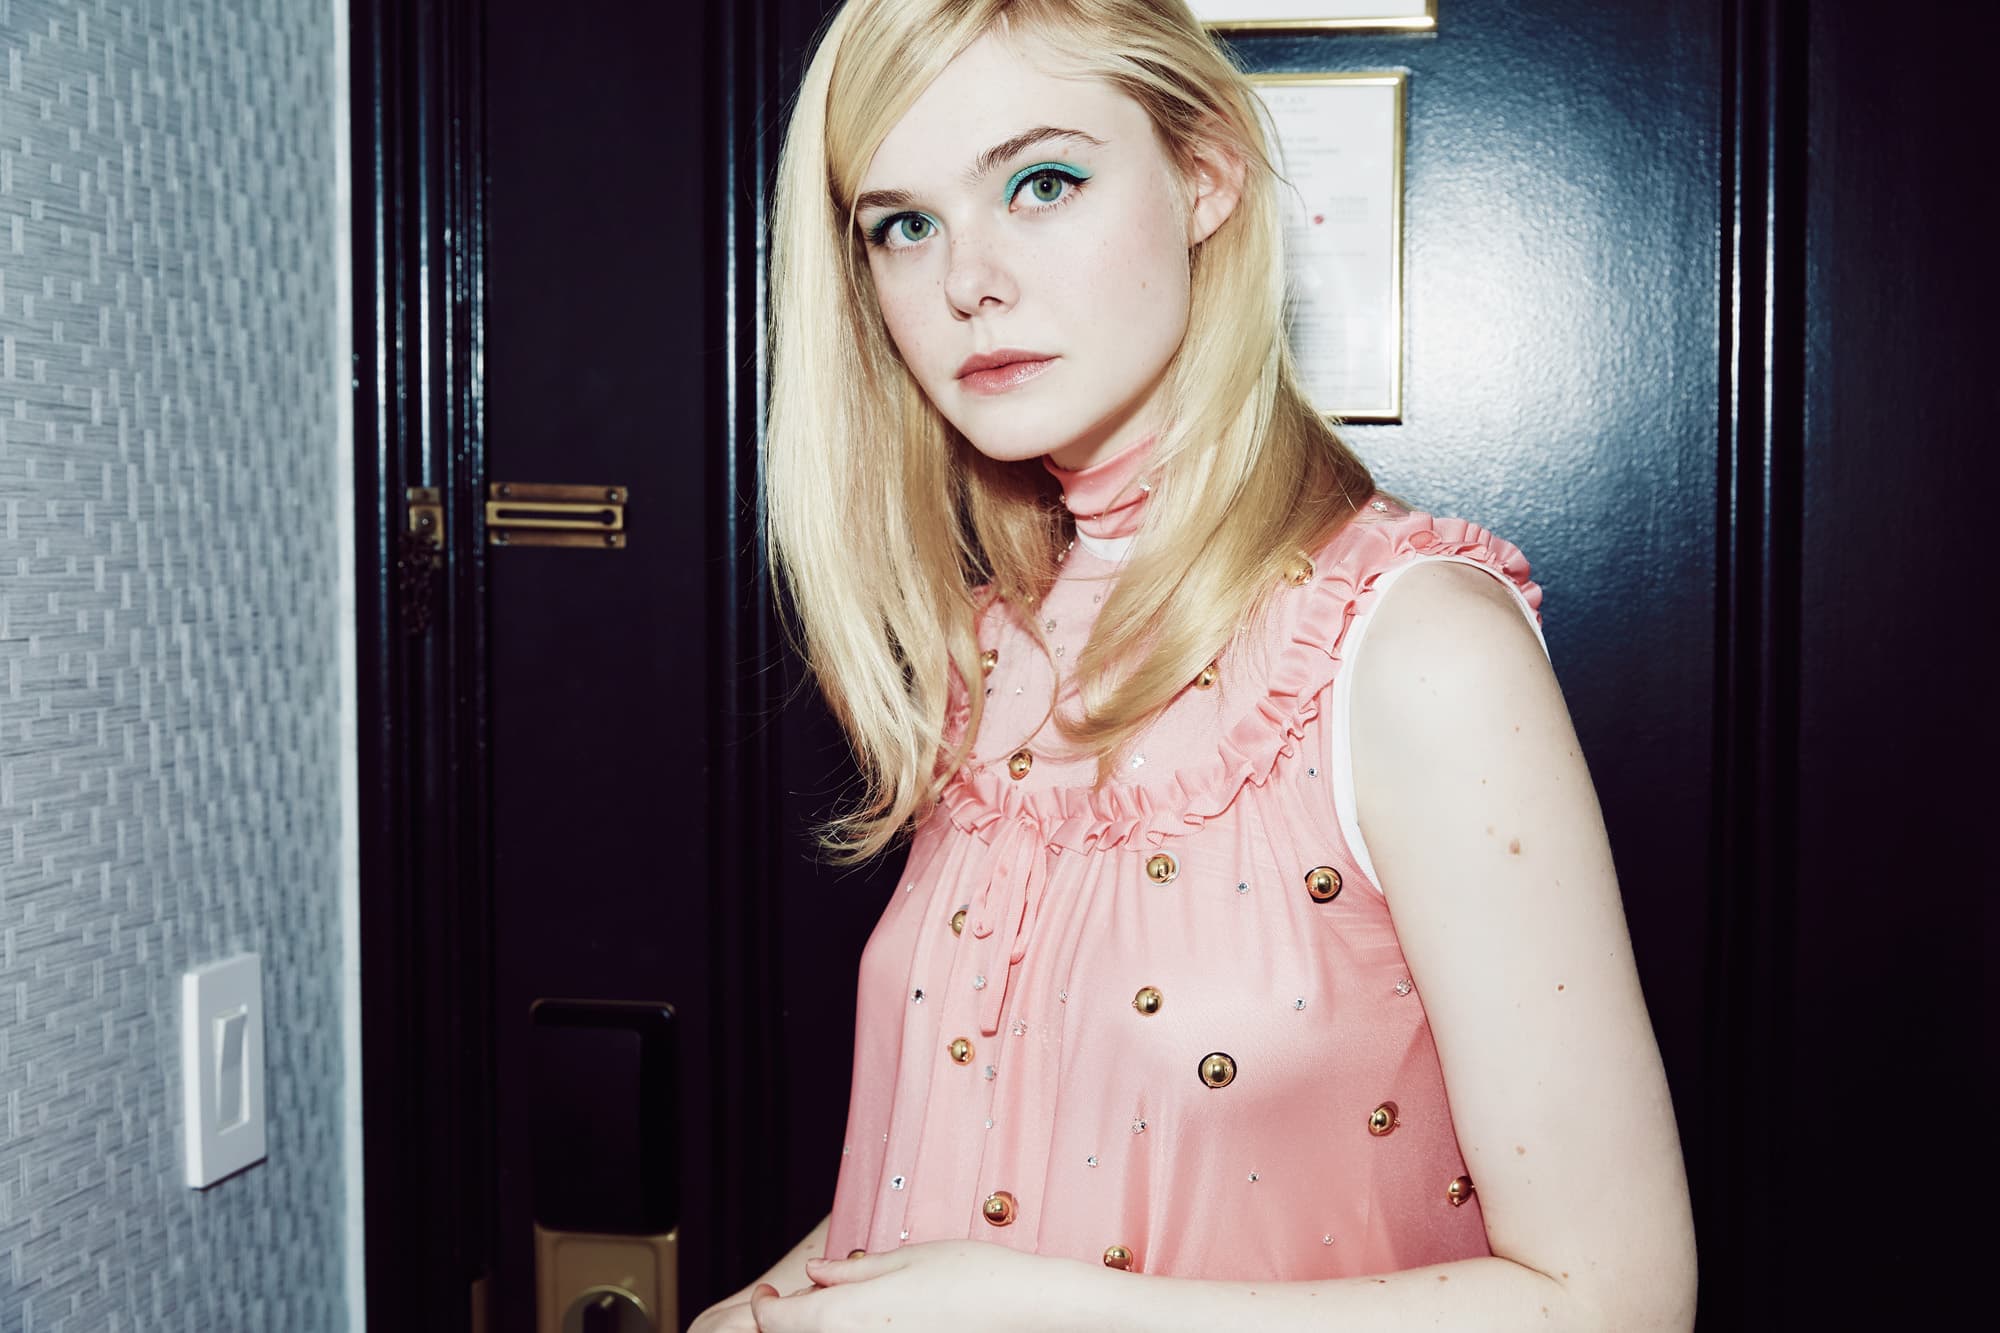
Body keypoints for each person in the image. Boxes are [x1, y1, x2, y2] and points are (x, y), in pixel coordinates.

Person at [693, 0, 1697, 1328]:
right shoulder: (983, 652)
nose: (967, 282)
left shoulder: (1412, 647)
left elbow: (1617, 1300)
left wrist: (1029, 1316)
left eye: (1042, 183)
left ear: (1207, 174)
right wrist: (766, 1304)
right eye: (905, 225)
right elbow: (988, 1175)